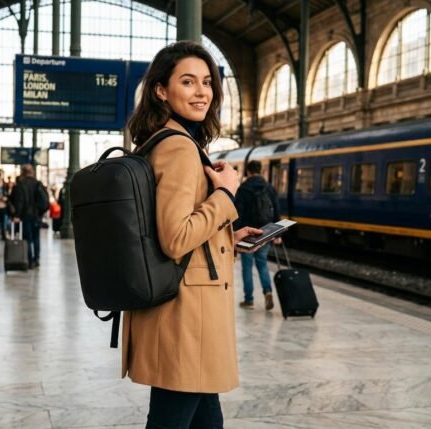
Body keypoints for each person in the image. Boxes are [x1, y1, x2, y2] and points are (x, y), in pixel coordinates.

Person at [122, 40, 262, 428]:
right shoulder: (179, 148)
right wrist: (225, 193)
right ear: (161, 90)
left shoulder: (157, 141)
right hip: (187, 313)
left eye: (207, 82)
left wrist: (226, 239)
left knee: (205, 419)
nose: (202, 92)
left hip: (184, 306)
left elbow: (169, 227)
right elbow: (176, 237)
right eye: (188, 81)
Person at [233, 160, 281, 311]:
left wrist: (235, 232)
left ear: (248, 172)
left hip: (248, 233)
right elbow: (276, 210)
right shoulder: (269, 188)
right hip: (265, 232)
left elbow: (237, 213)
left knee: (247, 267)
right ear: (261, 170)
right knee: (262, 264)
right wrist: (277, 232)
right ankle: (267, 292)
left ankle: (249, 300)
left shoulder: (243, 188)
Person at [10, 165, 48, 268]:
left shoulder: (20, 185)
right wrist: (40, 212)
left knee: (27, 238)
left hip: (25, 216)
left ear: (22, 172)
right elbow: (45, 201)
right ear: (32, 172)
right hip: (36, 216)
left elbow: (19, 202)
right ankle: (37, 259)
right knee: (36, 238)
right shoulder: (38, 184)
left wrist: (17, 215)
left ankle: (29, 260)